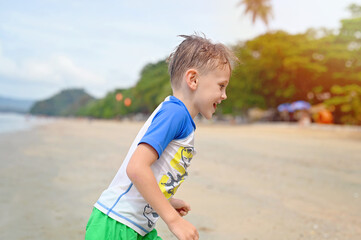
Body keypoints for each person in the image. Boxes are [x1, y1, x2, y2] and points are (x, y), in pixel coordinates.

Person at [85, 34, 236, 240]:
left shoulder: (180, 118)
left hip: (138, 227)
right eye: (221, 86)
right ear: (193, 79)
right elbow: (136, 168)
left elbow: (150, 173)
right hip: (117, 225)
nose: (224, 95)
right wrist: (174, 221)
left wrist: (166, 202)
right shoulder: (175, 113)